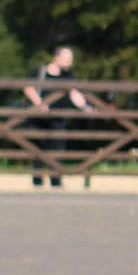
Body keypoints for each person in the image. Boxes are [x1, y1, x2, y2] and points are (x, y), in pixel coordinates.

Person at [22, 45, 94, 188]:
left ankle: (56, 181)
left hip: (58, 119)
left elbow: (74, 93)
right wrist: (40, 104)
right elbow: (28, 87)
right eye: (67, 59)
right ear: (56, 58)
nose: (70, 62)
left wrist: (85, 107)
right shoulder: (40, 72)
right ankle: (37, 182)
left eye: (71, 59)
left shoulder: (68, 76)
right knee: (38, 150)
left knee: (57, 150)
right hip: (38, 118)